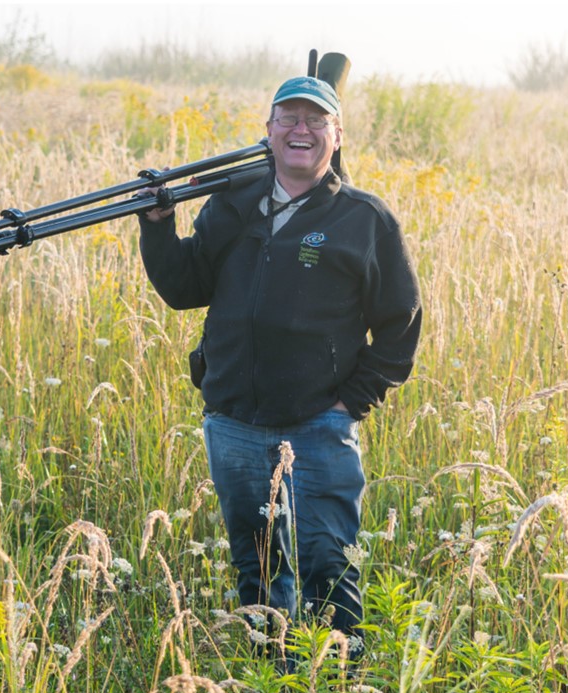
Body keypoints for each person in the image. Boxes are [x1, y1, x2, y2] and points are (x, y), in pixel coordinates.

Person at [137, 76, 422, 657]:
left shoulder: (364, 219)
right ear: (267, 132)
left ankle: (336, 680)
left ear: (336, 136)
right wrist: (159, 226)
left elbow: (401, 323)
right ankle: (273, 678)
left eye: (316, 121)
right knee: (258, 563)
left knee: (328, 564)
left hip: (320, 426)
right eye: (288, 118)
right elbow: (185, 286)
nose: (301, 130)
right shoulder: (233, 204)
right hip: (235, 421)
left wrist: (350, 403)